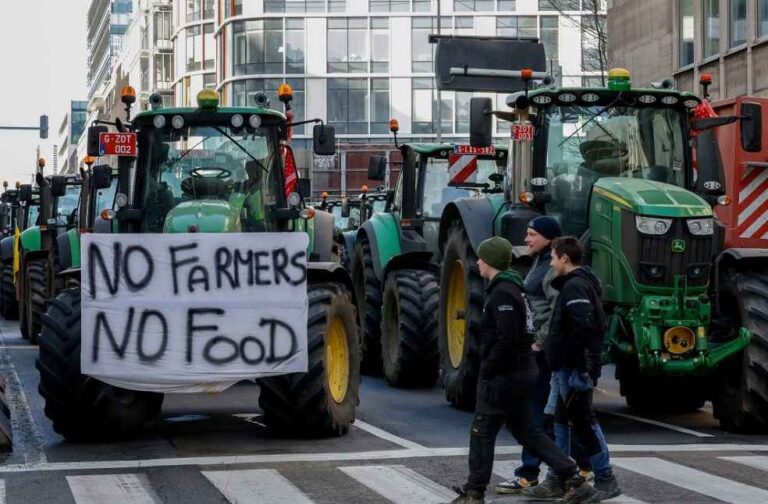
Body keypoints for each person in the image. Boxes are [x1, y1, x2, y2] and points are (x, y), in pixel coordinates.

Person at [451, 237, 596, 504]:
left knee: (481, 431)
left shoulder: (502, 292)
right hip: (521, 370)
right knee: (529, 432)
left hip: (504, 374)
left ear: (492, 261)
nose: (479, 262)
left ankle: (474, 493)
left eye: (482, 258)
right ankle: (574, 478)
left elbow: (507, 338)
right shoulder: (512, 289)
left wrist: (488, 368)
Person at [524, 236, 621, 501]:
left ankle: (605, 478)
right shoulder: (577, 284)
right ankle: (558, 479)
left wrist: (583, 368)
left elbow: (584, 328)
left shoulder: (575, 287)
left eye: (554, 258)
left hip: (572, 368)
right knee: (558, 422)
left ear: (564, 258)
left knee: (584, 422)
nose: (552, 264)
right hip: (565, 367)